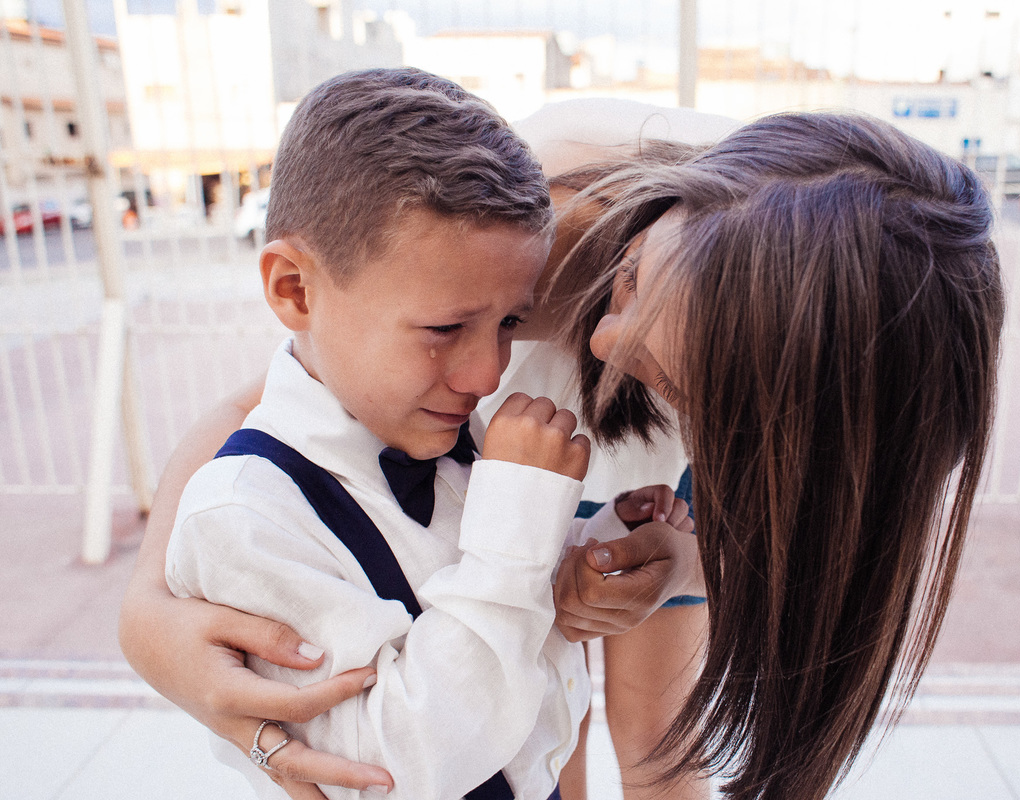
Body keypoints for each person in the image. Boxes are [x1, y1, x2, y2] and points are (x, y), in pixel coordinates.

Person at [124, 102, 1004, 800]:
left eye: (668, 371)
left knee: (660, 737)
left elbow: (807, 552)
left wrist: (684, 560)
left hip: (657, 493)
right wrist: (148, 612)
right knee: (544, 726)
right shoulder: (529, 219)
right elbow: (269, 395)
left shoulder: (871, 353)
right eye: (627, 287)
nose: (611, 341)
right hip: (519, 476)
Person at [158, 68, 696, 800]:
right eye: (445, 329)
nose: (487, 373)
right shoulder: (243, 519)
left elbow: (477, 617)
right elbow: (395, 765)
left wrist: (582, 559)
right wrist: (515, 534)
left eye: (511, 323)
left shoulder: (440, 430)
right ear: (293, 290)